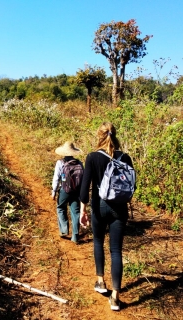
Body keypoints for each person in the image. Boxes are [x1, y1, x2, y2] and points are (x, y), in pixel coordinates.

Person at [79, 122, 134, 311]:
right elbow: (132, 186)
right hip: (119, 208)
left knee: (97, 242)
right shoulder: (125, 157)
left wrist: (83, 210)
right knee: (116, 250)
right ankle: (116, 297)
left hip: (99, 206)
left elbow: (85, 187)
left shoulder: (93, 157)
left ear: (99, 136)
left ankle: (101, 282)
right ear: (114, 135)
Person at [52, 141, 83, 243]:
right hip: (76, 191)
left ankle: (64, 230)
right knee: (76, 212)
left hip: (64, 190)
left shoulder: (60, 163)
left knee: (60, 207)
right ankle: (75, 236)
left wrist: (54, 191)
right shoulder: (79, 163)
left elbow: (56, 178)